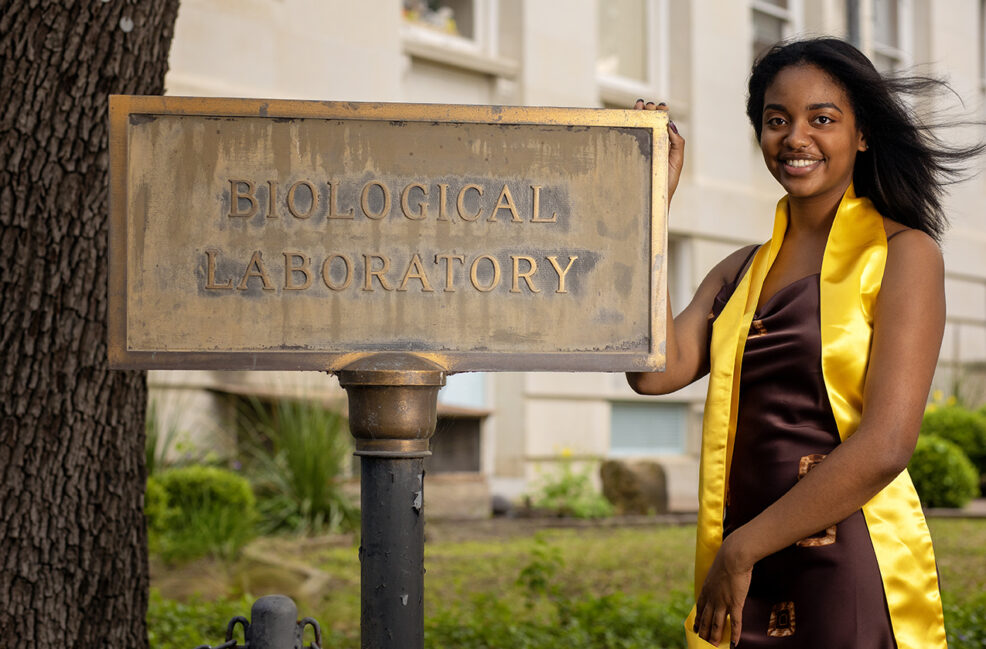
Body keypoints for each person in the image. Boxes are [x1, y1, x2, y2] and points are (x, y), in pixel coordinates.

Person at [626, 37, 982, 649]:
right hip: (743, 563)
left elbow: (887, 445)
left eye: (822, 118)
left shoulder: (903, 255)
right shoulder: (740, 271)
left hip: (845, 564)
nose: (795, 137)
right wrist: (647, 203)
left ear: (862, 134)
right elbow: (653, 371)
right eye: (776, 120)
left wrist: (741, 550)